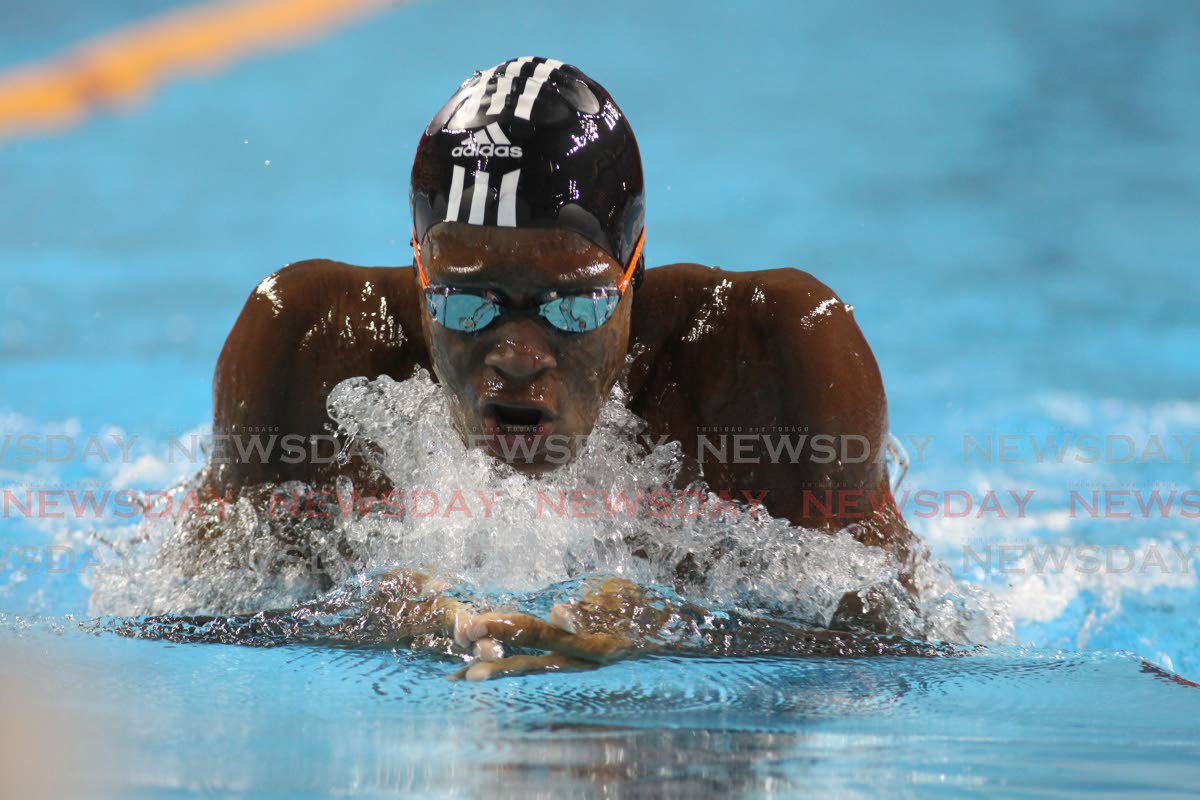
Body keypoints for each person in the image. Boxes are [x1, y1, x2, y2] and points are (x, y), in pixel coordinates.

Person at [204, 57, 924, 678]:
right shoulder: (305, 345)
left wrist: (658, 629)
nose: (518, 355)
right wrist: (398, 613)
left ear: (633, 267)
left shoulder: (776, 359)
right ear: (419, 266)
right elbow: (183, 610)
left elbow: (905, 639)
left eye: (572, 306)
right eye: (466, 305)